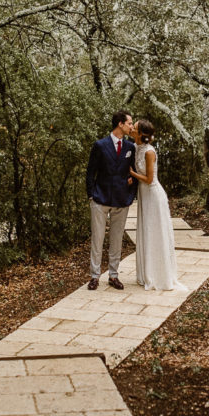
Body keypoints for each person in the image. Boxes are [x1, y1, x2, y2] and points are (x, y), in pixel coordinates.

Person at [128, 119, 186, 292]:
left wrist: (131, 173)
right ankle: (146, 272)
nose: (132, 129)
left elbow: (149, 179)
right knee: (146, 231)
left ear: (141, 134)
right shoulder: (136, 147)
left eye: (135, 128)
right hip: (144, 196)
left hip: (153, 195)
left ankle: (159, 274)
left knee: (155, 232)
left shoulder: (149, 152)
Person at [85, 111, 137, 290]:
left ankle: (113, 276)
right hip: (100, 199)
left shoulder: (131, 147)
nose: (132, 126)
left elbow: (135, 172)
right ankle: (94, 276)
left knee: (116, 240)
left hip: (122, 200)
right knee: (97, 239)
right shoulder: (100, 145)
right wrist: (91, 196)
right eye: (130, 123)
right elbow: (90, 172)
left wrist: (131, 194)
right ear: (120, 124)